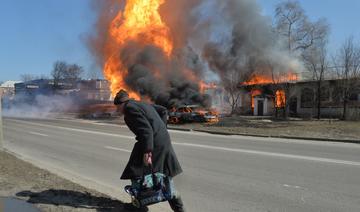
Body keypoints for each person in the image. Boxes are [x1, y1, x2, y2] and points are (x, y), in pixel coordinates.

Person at [114, 89, 185, 212]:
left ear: (121, 104)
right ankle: (179, 209)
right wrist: (161, 129)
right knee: (165, 174)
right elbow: (163, 110)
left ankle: (138, 205)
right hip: (162, 141)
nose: (117, 110)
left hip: (152, 144)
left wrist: (147, 151)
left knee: (136, 172)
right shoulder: (141, 104)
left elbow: (146, 130)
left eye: (117, 107)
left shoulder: (129, 109)